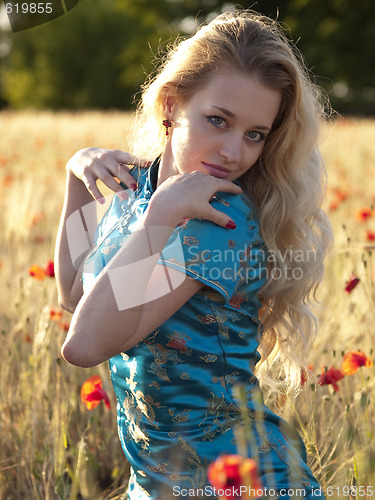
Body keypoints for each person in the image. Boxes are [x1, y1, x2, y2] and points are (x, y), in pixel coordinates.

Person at [55, 10, 332, 500]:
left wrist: (158, 219)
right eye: (218, 120)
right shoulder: (137, 191)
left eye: (254, 134)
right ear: (171, 103)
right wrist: (78, 184)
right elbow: (78, 296)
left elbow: (84, 346)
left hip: (237, 479)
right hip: (160, 481)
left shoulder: (222, 223)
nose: (231, 151)